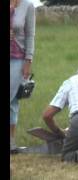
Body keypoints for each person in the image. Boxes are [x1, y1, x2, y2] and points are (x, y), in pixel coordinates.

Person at [10, 0, 36, 153]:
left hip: (17, 59)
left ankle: (11, 141)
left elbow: (30, 35)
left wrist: (28, 60)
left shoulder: (28, 6)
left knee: (12, 100)